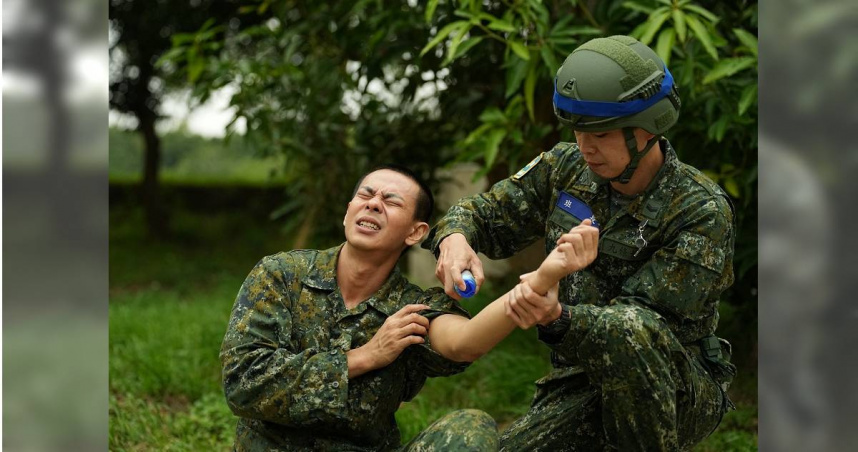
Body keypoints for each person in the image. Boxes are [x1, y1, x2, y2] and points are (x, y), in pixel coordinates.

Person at [424, 35, 738, 451]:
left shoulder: (700, 210)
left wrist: (558, 317)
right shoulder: (566, 167)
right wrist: (455, 238)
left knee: (635, 334)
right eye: (578, 131)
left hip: (673, 384)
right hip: (580, 377)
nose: (585, 147)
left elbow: (645, 328)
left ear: (647, 129)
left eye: (601, 135)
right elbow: (483, 211)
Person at [220, 164, 599, 451]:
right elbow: (243, 384)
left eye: (391, 201)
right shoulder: (282, 275)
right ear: (348, 211)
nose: (373, 203)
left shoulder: (411, 308)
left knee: (469, 428)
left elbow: (464, 342)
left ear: (416, 232)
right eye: (366, 195)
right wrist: (365, 357)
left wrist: (540, 281)